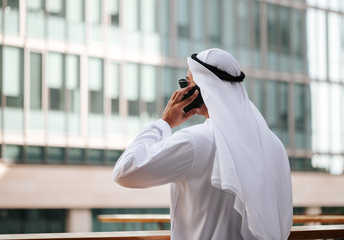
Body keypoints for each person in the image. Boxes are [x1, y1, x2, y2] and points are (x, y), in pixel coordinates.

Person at [113, 48, 293, 240]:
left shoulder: (195, 141)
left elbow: (124, 172)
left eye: (186, 84)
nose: (181, 91)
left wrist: (164, 123)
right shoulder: (274, 145)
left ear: (201, 89)